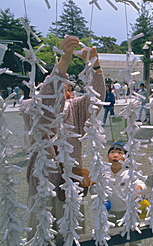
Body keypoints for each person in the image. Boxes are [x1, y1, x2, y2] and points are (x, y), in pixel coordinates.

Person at [20, 36, 105, 239]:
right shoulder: (30, 106)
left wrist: (95, 67)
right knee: (43, 231)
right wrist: (64, 61)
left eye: (66, 86)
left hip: (72, 178)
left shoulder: (76, 106)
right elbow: (48, 110)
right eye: (58, 84)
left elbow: (97, 98)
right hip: (44, 180)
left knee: (71, 232)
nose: (63, 89)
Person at [104, 142, 147, 245]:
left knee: (134, 238)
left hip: (128, 212)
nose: (115, 155)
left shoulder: (129, 174)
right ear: (107, 157)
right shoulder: (104, 174)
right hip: (111, 213)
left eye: (120, 153)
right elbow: (96, 191)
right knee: (116, 240)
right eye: (112, 152)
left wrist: (139, 188)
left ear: (126, 159)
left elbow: (141, 184)